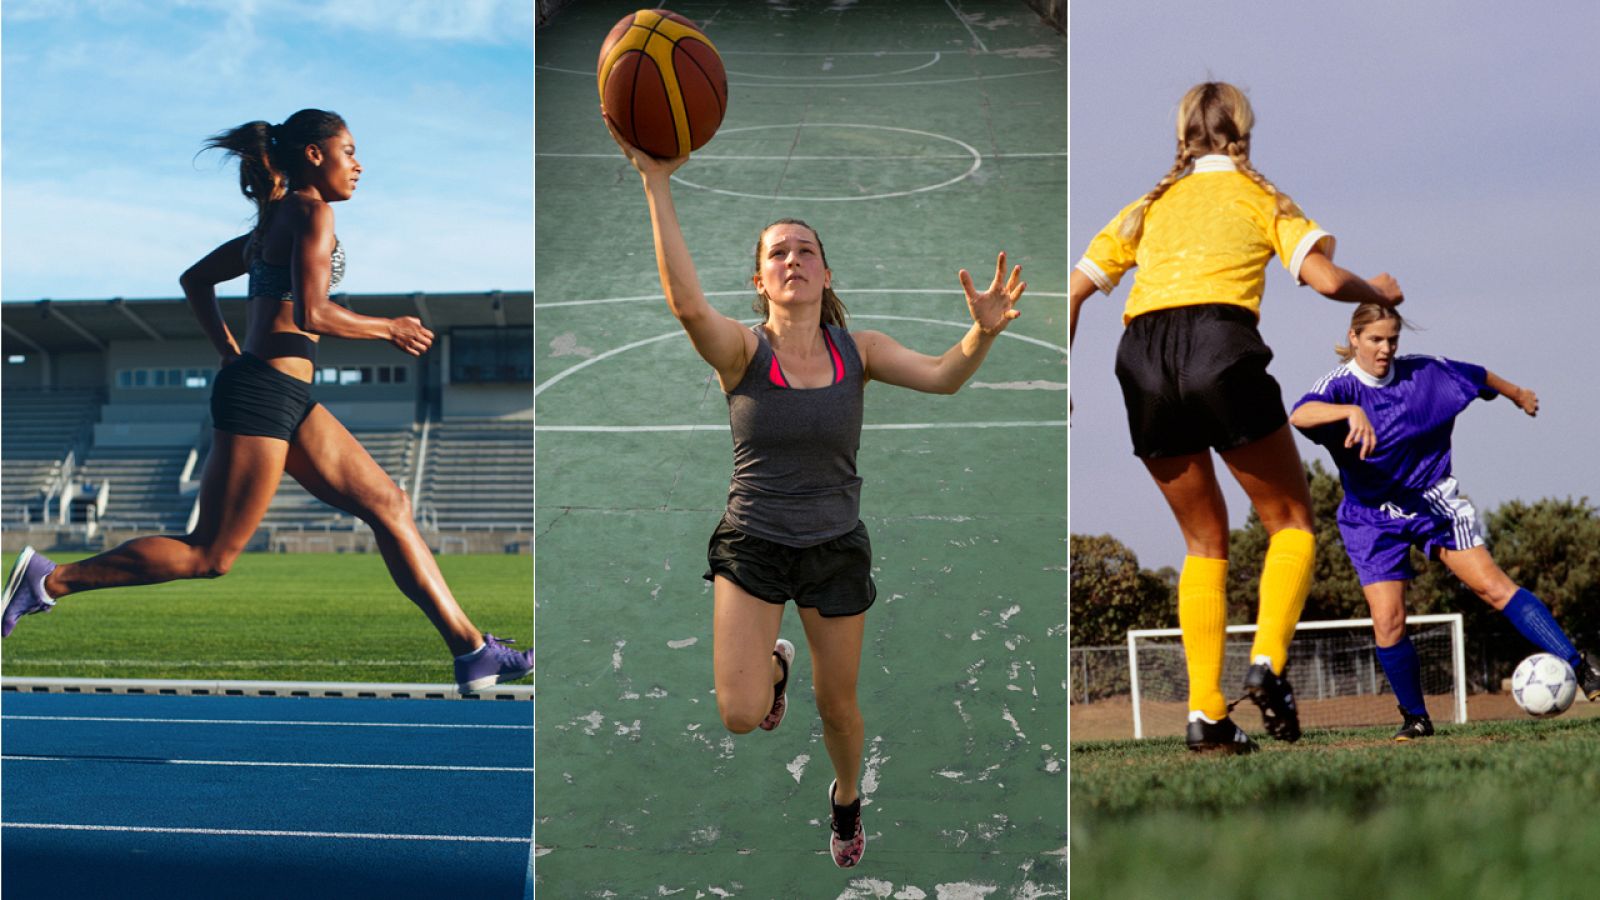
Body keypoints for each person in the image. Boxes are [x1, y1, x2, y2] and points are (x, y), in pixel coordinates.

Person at [605, 116, 1025, 867]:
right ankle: (775, 666)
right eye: (778, 253)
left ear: (826, 274)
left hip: (834, 546)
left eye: (806, 250)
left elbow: (941, 377)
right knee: (740, 712)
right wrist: (656, 181)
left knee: (840, 712)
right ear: (760, 279)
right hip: (754, 541)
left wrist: (981, 335)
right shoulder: (740, 351)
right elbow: (686, 307)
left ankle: (844, 797)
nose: (793, 259)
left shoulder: (857, 352)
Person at [1, 109, 532, 695]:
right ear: (313, 155)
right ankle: (51, 581)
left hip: (283, 393)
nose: (358, 165)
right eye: (348, 151)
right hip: (263, 395)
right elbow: (313, 313)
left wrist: (229, 349)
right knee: (211, 555)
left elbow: (195, 279)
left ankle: (472, 651)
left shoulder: (274, 220)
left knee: (390, 504)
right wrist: (389, 328)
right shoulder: (310, 212)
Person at [1069, 82, 1404, 753]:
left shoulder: (1149, 204)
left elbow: (1072, 291)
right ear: (1243, 133)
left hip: (1139, 358)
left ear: (1182, 137)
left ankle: (1205, 716)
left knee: (1203, 543)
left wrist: (1059, 378)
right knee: (1292, 524)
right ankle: (1268, 664)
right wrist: (1380, 291)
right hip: (1218, 345)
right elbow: (1327, 281)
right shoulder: (1262, 196)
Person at [1291, 304, 1600, 738]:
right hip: (1371, 517)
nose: (1385, 349)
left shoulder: (1427, 374)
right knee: (1388, 621)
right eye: (1375, 339)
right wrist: (1347, 413)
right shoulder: (1339, 386)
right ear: (1355, 337)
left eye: (1392, 340)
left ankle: (1582, 670)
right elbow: (1299, 414)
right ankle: (1416, 718)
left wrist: (1518, 394)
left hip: (1431, 502)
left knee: (1492, 588)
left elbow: (1479, 377)